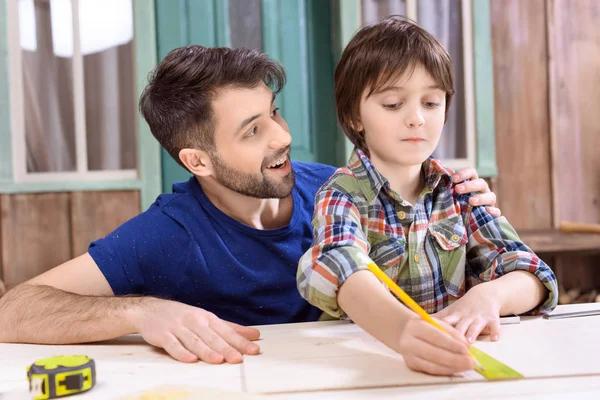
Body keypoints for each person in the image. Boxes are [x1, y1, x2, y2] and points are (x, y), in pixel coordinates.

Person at [0, 44, 500, 366]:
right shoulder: (167, 233)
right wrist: (142, 312)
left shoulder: (339, 192)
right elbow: (13, 311)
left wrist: (455, 209)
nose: (283, 137)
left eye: (274, 114)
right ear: (198, 160)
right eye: (253, 131)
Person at [296, 16, 558, 376]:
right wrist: (404, 332)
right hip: (365, 366)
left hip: (455, 364)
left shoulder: (460, 191)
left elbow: (535, 276)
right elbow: (339, 267)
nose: (416, 118)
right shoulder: (342, 194)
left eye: (431, 103)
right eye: (392, 104)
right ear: (355, 116)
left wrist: (489, 297)